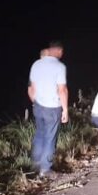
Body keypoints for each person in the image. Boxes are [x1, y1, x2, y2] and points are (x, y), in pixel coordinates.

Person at [28, 41, 69, 178]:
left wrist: (35, 102)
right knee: (50, 138)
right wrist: (65, 110)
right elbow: (62, 90)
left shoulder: (36, 64)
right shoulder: (59, 66)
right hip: (52, 108)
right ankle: (45, 169)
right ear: (58, 51)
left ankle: (35, 164)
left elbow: (31, 88)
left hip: (38, 106)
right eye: (61, 52)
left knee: (40, 134)